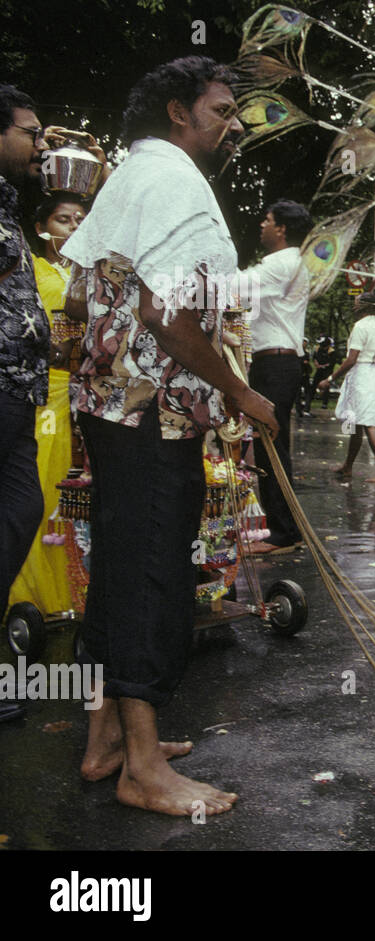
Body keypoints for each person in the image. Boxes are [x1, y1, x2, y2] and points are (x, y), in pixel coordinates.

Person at [60, 57, 278, 814]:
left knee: (119, 568)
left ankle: (105, 740)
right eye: (222, 110)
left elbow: (82, 293)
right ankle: (143, 767)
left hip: (110, 406)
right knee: (151, 570)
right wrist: (243, 391)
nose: (234, 124)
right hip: (154, 414)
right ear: (179, 113)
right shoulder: (178, 181)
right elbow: (171, 316)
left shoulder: (131, 174)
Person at [6, 195, 88, 625]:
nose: (72, 226)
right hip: (48, 393)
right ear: (41, 226)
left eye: (80, 219)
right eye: (62, 219)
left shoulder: (92, 274)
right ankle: (30, 593)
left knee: (84, 497)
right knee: (41, 491)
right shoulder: (29, 270)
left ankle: (80, 585)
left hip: (89, 394)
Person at [0, 85, 51, 725]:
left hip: (18, 392)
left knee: (20, 511)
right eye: (29, 133)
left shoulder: (10, 203)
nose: (41, 143)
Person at [238, 199, 311, 554]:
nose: (261, 226)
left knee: (270, 447)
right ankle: (285, 528)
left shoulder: (281, 264)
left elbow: (231, 289)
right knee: (273, 445)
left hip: (276, 363)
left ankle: (282, 532)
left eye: (267, 221)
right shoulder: (292, 263)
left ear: (281, 229)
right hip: (279, 362)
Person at [320, 291, 375, 482]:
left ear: (365, 306)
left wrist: (330, 378)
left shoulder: (360, 327)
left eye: (356, 303)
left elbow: (352, 359)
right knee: (355, 422)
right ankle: (348, 467)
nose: (354, 306)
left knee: (367, 423)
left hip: (362, 376)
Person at [307, 334, 337, 409]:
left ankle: (324, 403)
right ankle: (308, 402)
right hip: (319, 370)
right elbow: (314, 357)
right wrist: (316, 363)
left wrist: (323, 366)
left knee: (326, 387)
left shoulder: (331, 351)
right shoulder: (317, 348)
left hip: (327, 372)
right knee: (313, 386)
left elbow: (331, 363)